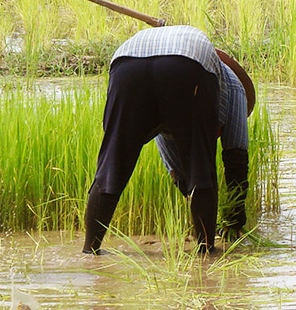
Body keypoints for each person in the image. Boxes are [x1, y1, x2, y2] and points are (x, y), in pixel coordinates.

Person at [82, 25, 255, 255]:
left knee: (111, 167)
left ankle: (89, 252)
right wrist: (234, 221)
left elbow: (177, 166)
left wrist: (190, 189)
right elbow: (236, 157)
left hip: (125, 66)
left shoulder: (206, 76)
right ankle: (206, 254)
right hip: (185, 66)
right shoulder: (235, 87)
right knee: (201, 167)